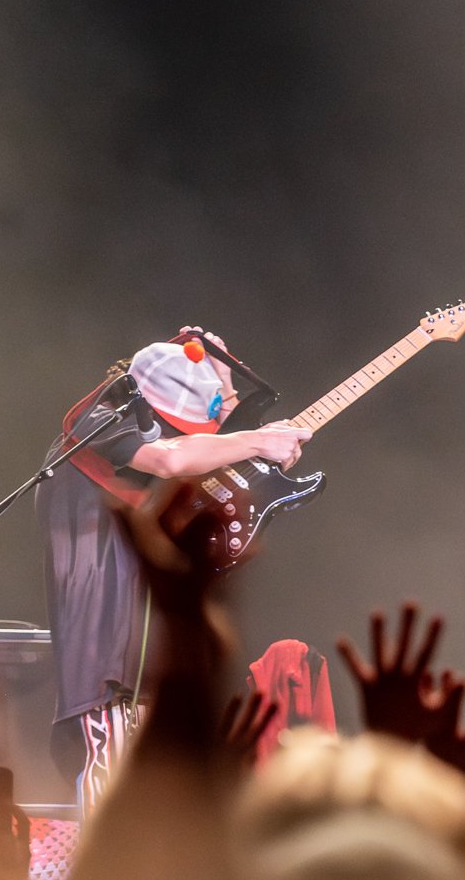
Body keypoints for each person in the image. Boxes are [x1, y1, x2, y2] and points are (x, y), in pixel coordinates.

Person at [36, 335, 310, 816]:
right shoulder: (98, 419)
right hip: (104, 670)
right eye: (171, 424)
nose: (178, 433)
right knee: (114, 811)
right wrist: (255, 440)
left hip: (152, 661)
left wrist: (224, 381)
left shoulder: (157, 447)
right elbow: (171, 457)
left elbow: (204, 448)